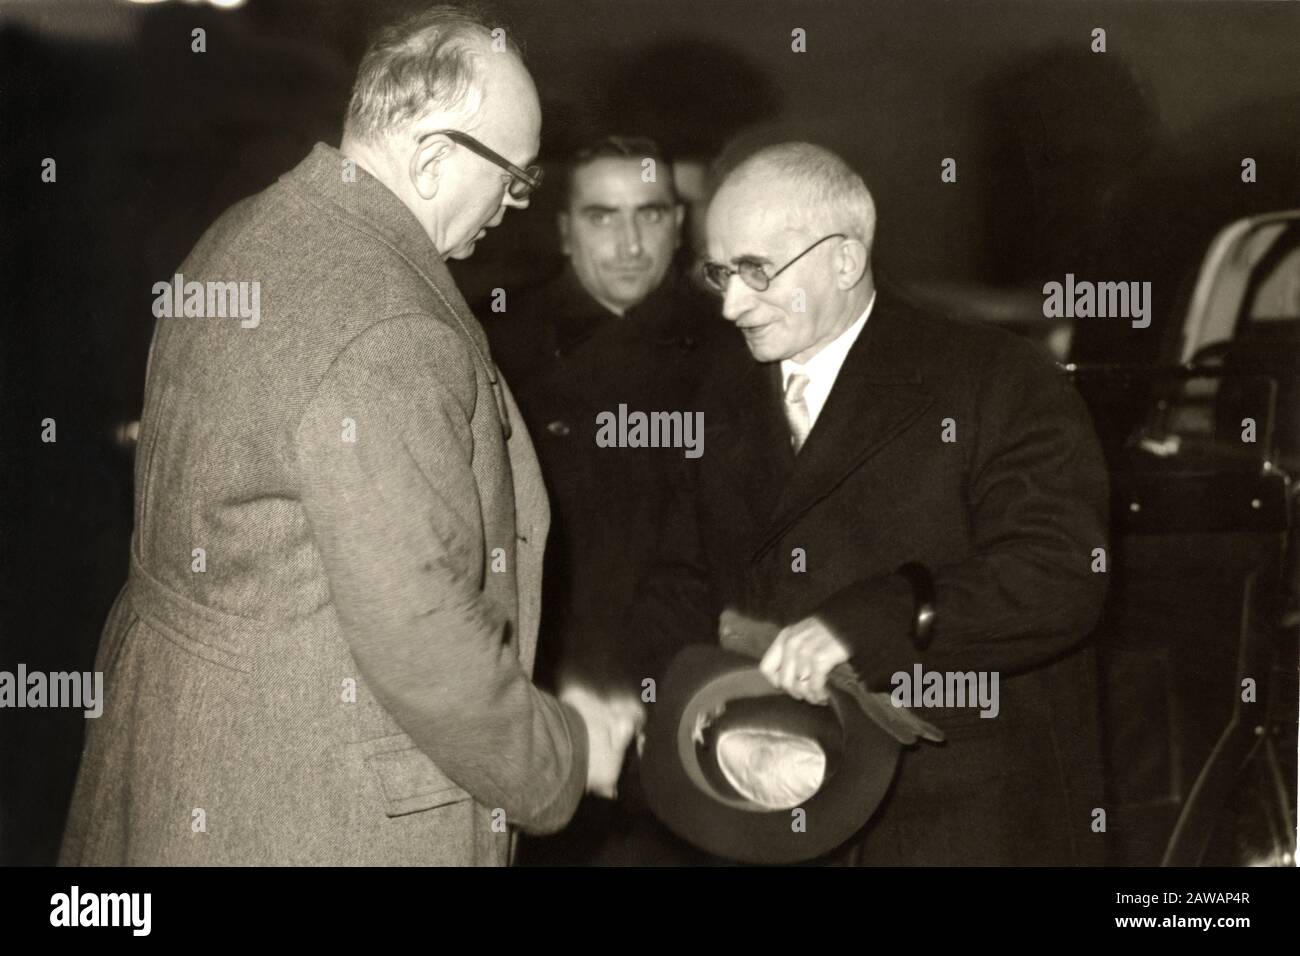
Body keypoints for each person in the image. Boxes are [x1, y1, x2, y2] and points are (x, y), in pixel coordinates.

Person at [59, 5, 635, 867]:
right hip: (308, 802)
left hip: (181, 757)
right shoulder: (391, 330)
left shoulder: (243, 234)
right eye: (515, 178)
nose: (514, 207)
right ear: (436, 159)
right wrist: (568, 753)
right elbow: (426, 642)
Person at [631, 142, 1111, 865]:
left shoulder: (997, 379)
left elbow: (1061, 573)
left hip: (966, 817)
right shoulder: (718, 396)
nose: (731, 304)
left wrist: (880, 616)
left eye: (756, 271)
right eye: (719, 272)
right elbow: (681, 581)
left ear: (846, 260)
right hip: (776, 805)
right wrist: (677, 709)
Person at [484, 136, 731, 863]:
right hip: (550, 704)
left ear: (680, 224)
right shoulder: (496, 345)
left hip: (699, 700)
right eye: (601, 216)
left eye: (649, 215)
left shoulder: (737, 347)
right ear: (564, 230)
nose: (629, 243)